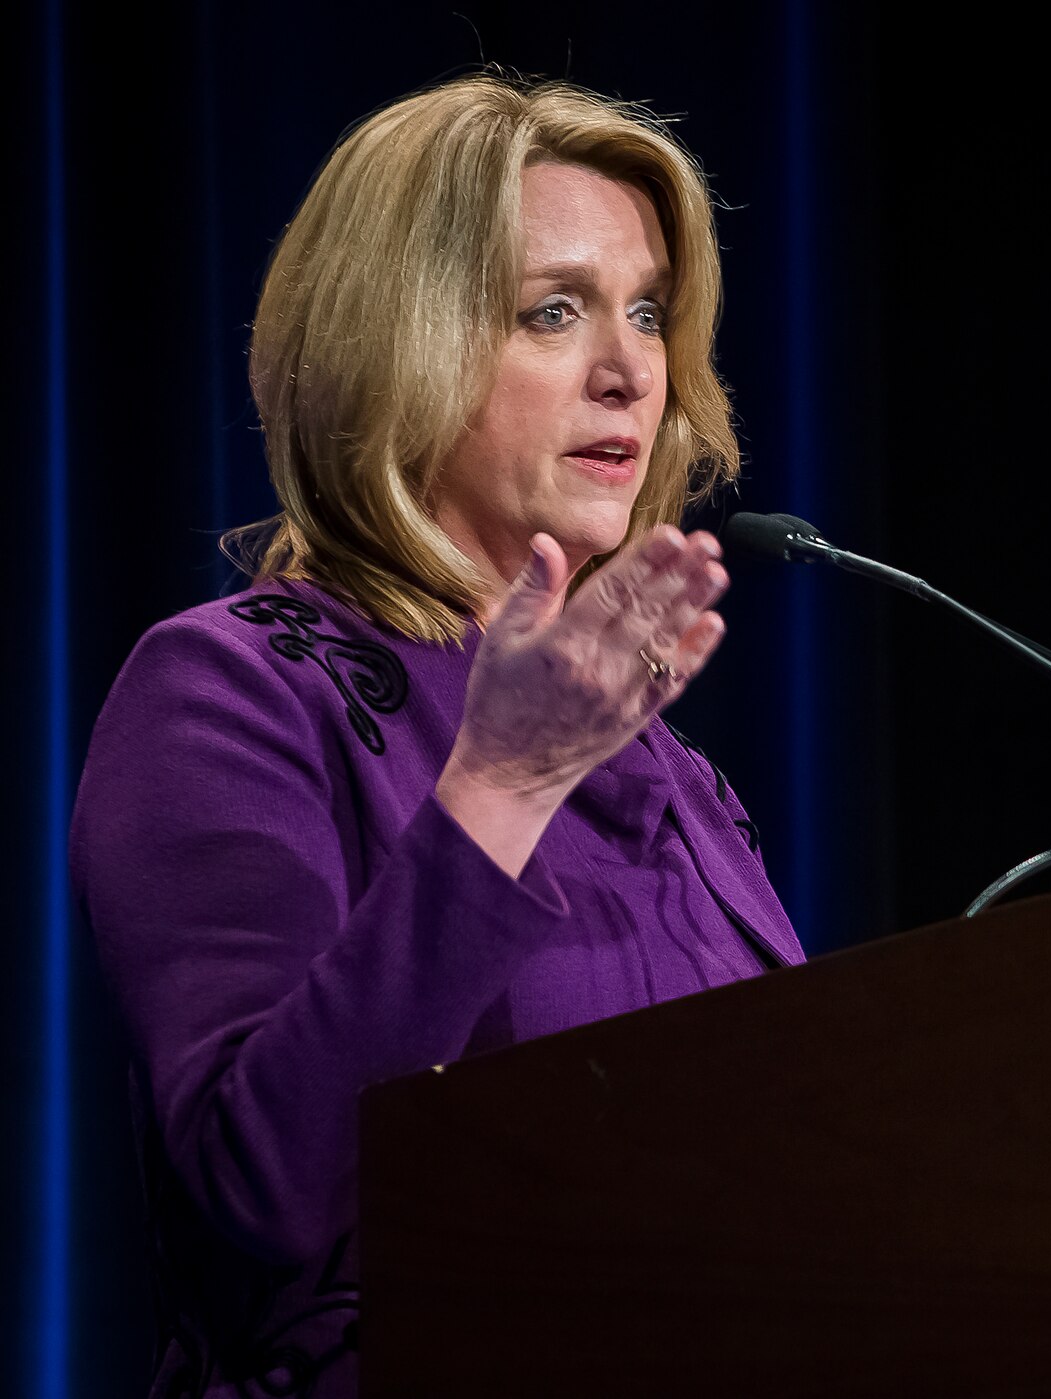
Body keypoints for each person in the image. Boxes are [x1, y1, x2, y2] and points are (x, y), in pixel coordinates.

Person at [68, 73, 799, 1399]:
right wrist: (505, 788)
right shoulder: (230, 692)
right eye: (553, 311)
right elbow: (263, 1196)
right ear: (393, 345)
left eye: (646, 311)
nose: (634, 367)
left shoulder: (666, 767)